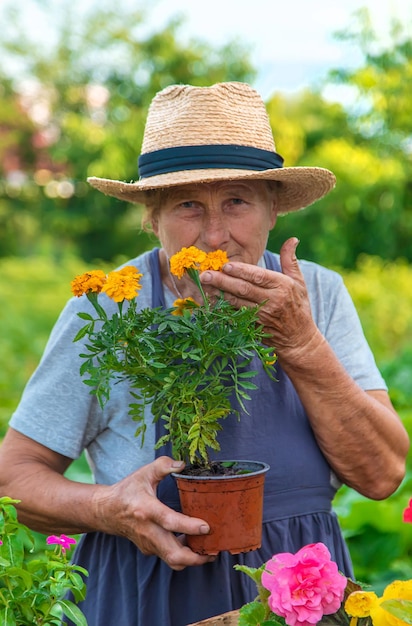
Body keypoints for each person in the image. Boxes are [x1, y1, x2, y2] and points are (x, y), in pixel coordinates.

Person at [0, 82, 408, 626]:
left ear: (272, 211)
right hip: (152, 596)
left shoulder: (320, 294)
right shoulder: (106, 309)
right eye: (187, 205)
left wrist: (301, 342)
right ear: (152, 217)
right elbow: (13, 479)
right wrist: (108, 509)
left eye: (237, 201)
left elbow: (382, 476)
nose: (215, 235)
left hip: (302, 602)